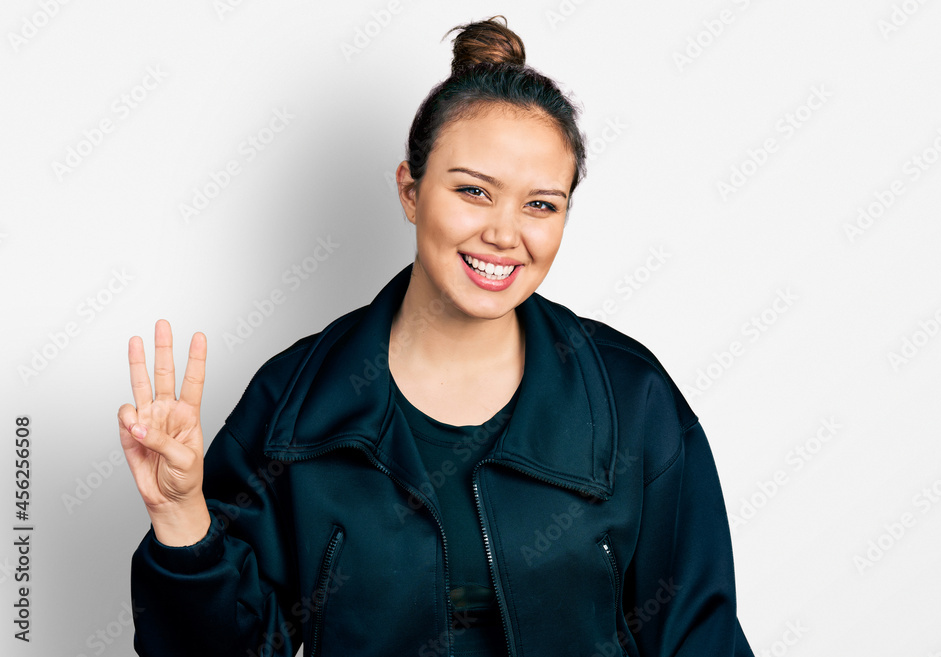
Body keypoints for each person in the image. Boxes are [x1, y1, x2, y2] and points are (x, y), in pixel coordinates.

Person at [119, 15, 755, 657]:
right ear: (410, 191)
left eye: (540, 204)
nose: (504, 234)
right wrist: (180, 517)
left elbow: (700, 639)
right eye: (474, 191)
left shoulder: (631, 400)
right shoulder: (294, 403)